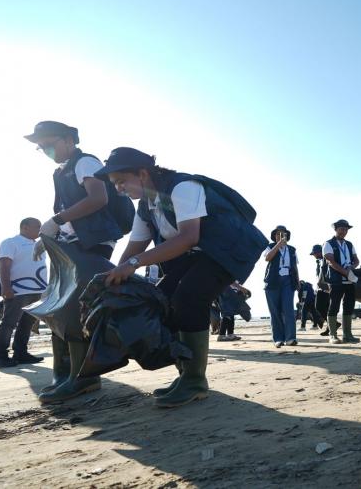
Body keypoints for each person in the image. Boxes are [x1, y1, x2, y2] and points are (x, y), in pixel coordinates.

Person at [97, 147, 265, 408]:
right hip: (197, 253)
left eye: (121, 181)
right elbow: (135, 247)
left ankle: (195, 381)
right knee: (162, 299)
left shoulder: (182, 187)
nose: (118, 189)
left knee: (189, 298)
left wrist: (131, 265)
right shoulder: (144, 207)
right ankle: (186, 375)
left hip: (229, 248)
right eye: (114, 184)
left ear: (142, 174)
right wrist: (113, 275)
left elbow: (189, 237)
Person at [24, 121, 126, 404]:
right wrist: (49, 237)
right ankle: (64, 373)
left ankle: (84, 377)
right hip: (70, 244)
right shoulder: (62, 171)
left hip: (91, 242)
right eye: (40, 147)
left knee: (71, 306)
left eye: (49, 143)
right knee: (56, 304)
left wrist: (55, 221)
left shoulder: (84, 162)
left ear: (68, 140)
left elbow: (98, 198)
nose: (45, 150)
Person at [0, 218, 47, 368]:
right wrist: (6, 288)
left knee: (27, 324)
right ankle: (0, 356)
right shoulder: (10, 242)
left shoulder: (40, 245)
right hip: (18, 290)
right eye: (37, 226)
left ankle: (21, 353)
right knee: (9, 323)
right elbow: (4, 265)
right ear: (25, 227)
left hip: (38, 291)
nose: (40, 229)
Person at [323, 219, 360, 344]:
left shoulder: (349, 244)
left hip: (350, 280)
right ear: (336, 229)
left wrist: (352, 268)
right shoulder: (328, 243)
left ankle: (347, 335)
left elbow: (356, 260)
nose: (344, 231)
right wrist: (345, 272)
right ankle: (332, 335)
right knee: (334, 306)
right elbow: (330, 262)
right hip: (336, 280)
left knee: (349, 306)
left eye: (346, 229)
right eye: (341, 229)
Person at [263, 225, 299, 348]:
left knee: (288, 310)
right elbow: (267, 258)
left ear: (287, 236)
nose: (281, 236)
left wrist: (297, 282)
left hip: (288, 281)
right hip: (273, 281)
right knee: (275, 311)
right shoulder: (270, 246)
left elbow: (295, 267)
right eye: (278, 234)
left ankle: (290, 338)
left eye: (283, 234)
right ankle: (278, 339)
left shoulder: (292, 249)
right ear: (274, 236)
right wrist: (278, 245)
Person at [310, 245, 331, 335]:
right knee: (325, 308)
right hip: (320, 287)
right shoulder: (319, 261)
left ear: (319, 252)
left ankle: (332, 325)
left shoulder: (326, 259)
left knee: (319, 307)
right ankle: (330, 327)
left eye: (314, 253)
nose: (314, 255)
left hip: (326, 287)